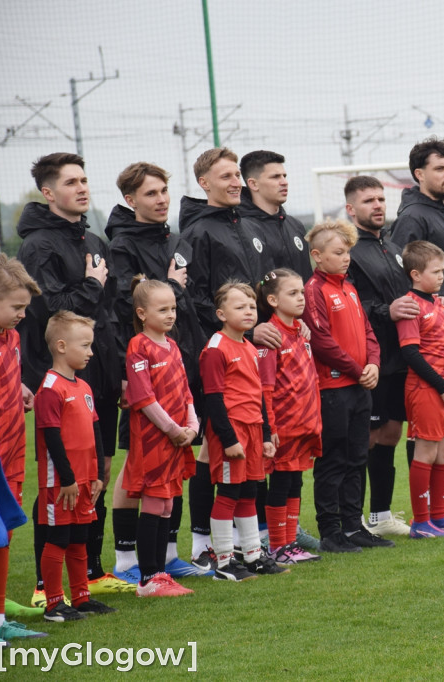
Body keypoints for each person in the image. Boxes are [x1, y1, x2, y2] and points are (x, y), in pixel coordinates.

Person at [16, 153, 132, 600]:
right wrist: (91, 285)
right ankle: (46, 585)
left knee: (97, 472)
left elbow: (110, 315)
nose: (82, 188)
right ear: (48, 193)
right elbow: (49, 314)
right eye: (71, 182)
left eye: (84, 180)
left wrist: (118, 372)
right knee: (56, 481)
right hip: (58, 384)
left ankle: (94, 572)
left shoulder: (94, 240)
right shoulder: (38, 246)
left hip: (97, 378)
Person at [106, 162, 208, 582]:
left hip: (179, 361)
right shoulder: (121, 246)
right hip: (146, 372)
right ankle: (127, 560)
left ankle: (167, 556)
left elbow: (188, 297)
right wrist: (125, 375)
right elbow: (119, 308)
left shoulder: (177, 239)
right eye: (151, 193)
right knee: (136, 472)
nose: (162, 199)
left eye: (164, 190)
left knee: (175, 466)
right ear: (131, 201)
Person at [181, 148, 269, 572]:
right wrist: (222, 339)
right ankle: (211, 549)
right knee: (218, 472)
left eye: (237, 174)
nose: (236, 182)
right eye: (226, 176)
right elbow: (192, 299)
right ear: (204, 183)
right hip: (223, 384)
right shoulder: (198, 232)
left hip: (249, 385)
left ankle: (252, 552)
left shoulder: (249, 224)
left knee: (250, 484)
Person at [391, 137, 444, 517]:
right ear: (419, 174)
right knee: (427, 432)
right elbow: (403, 277)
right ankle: (428, 510)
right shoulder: (413, 217)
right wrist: (426, 309)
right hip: (427, 343)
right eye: (439, 168)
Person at [302, 219, 391, 552]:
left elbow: (368, 333)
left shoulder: (349, 288)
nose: (346, 258)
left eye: (347, 252)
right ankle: (330, 531)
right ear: (317, 255)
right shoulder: (315, 289)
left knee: (357, 457)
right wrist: (357, 369)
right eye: (338, 252)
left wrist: (373, 364)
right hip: (333, 388)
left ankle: (353, 527)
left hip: (359, 386)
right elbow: (322, 341)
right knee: (333, 460)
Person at [198, 281, 286, 580]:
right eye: (239, 307)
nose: (248, 311)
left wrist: (264, 434)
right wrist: (228, 439)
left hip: (252, 429)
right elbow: (213, 399)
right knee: (229, 492)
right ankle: (223, 562)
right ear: (221, 313)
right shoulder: (215, 348)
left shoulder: (249, 346)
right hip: (231, 430)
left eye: (251, 306)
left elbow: (258, 394)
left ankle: (252, 556)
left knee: (250, 490)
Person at [344, 176, 415, 538]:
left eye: (380, 199)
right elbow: (352, 307)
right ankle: (352, 519)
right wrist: (389, 310)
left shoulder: (393, 245)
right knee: (367, 438)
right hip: (371, 360)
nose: (377, 205)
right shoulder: (349, 253)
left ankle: (381, 514)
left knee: (390, 433)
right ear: (350, 209)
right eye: (368, 200)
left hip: (401, 358)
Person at [34, 312, 117, 622]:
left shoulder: (82, 386)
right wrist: (67, 479)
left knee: (81, 536)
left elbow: (94, 431)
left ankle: (81, 597)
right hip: (62, 482)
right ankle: (54, 604)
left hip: (84, 480)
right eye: (85, 345)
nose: (90, 352)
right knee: (58, 538)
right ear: (60, 345)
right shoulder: (50, 388)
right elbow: (52, 438)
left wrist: (96, 475)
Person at [123, 278, 198, 597]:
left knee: (167, 503)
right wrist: (171, 428)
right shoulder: (139, 345)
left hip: (177, 438)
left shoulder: (173, 345)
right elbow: (143, 396)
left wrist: (192, 426)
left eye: (173, 308)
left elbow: (185, 392)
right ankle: (148, 578)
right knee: (154, 501)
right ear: (142, 313)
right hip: (154, 439)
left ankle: (160, 574)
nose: (170, 314)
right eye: (162, 309)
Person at [0, 254, 46, 640]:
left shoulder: (13, 337)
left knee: (4, 534)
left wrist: (20, 389)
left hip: (14, 450)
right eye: (17, 307)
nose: (23, 314)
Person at [396, 241, 444, 537]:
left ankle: (440, 517)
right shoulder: (410, 307)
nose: (442, 276)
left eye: (443, 270)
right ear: (416, 274)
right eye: (436, 271)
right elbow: (411, 354)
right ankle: (421, 522)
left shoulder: (439, 304)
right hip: (426, 389)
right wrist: (441, 386)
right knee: (426, 452)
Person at [255, 268, 322, 563]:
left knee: (296, 482)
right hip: (284, 426)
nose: (301, 298)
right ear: (272, 299)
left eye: (301, 292)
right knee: (281, 484)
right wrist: (269, 428)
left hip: (304, 425)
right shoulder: (271, 338)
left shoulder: (301, 333)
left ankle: (290, 542)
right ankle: (278, 546)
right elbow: (265, 390)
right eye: (292, 293)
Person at [238, 150, 313, 281]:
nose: (284, 182)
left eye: (284, 176)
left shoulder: (295, 226)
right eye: (275, 177)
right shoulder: (240, 228)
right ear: (253, 184)